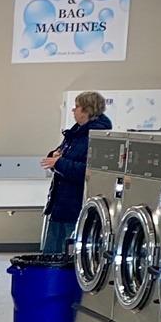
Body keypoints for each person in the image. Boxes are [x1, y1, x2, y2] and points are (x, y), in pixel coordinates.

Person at [41, 91, 112, 254]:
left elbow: (88, 171)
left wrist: (60, 162)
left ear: (87, 110)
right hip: (60, 204)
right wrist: (55, 157)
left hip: (75, 206)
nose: (73, 110)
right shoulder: (75, 134)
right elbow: (62, 155)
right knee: (52, 252)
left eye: (77, 107)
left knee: (69, 255)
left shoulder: (96, 138)